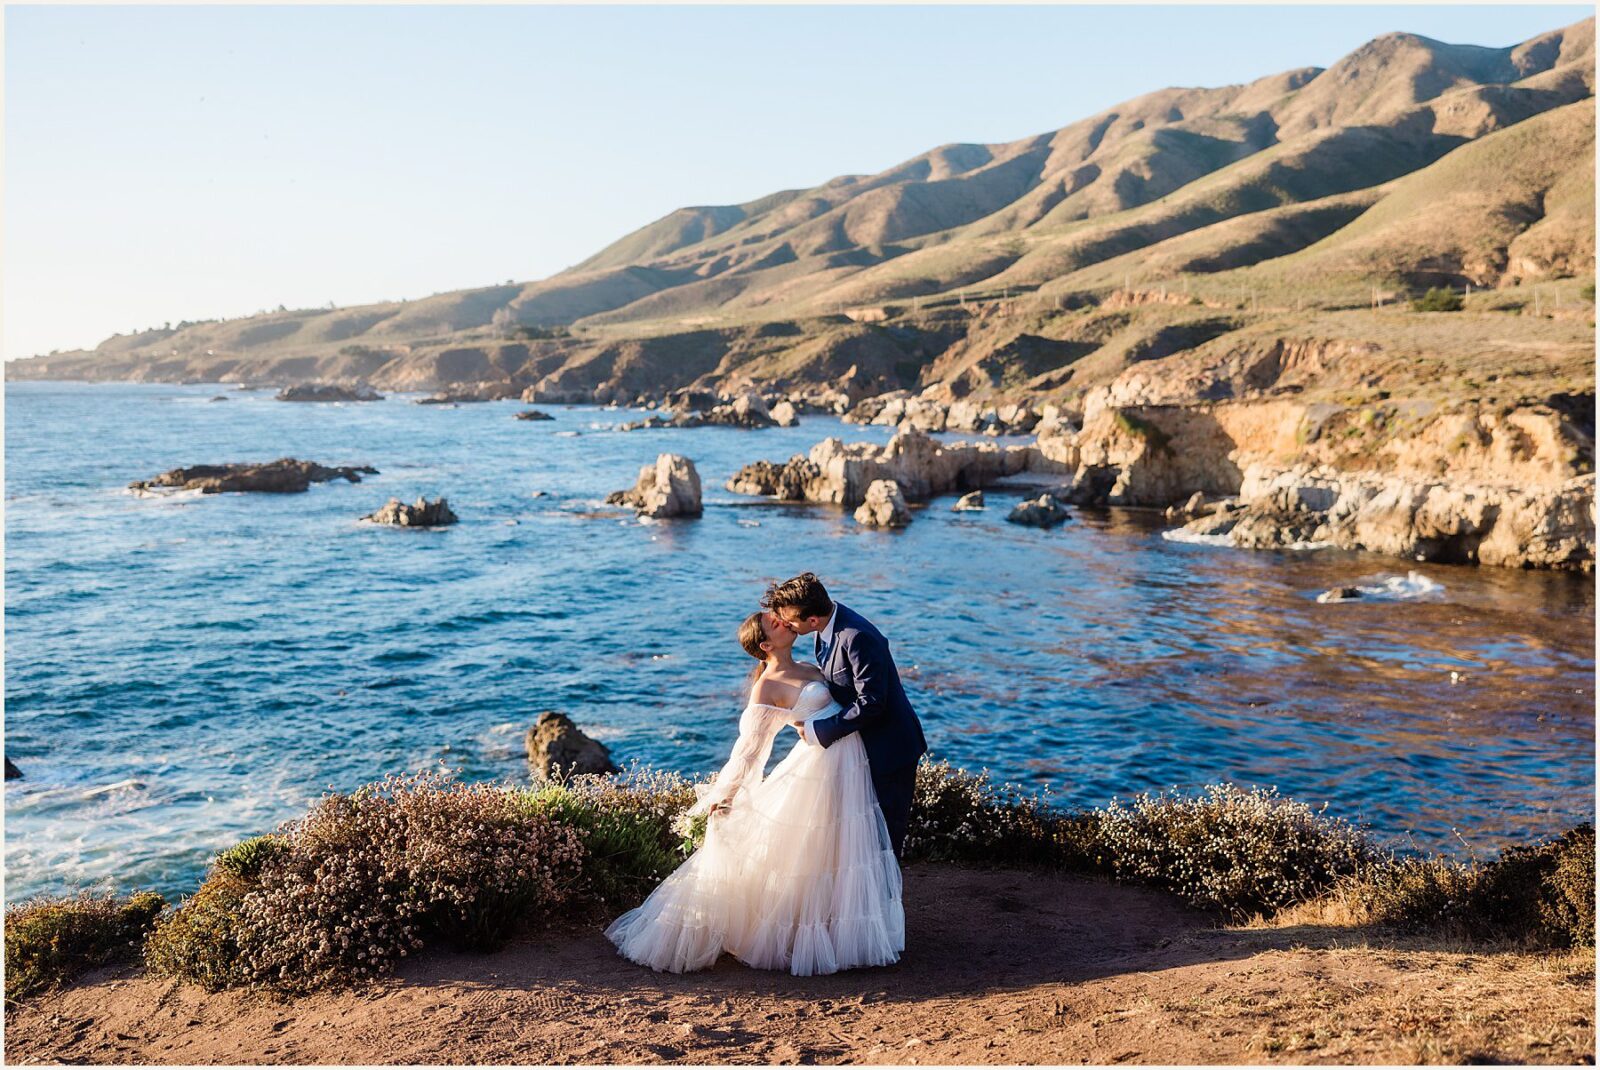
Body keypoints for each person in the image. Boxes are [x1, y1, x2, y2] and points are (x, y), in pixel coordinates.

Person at [604, 610, 903, 976]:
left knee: (842, 852)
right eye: (774, 624)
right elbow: (750, 750)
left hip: (848, 767)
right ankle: (804, 938)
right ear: (765, 645)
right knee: (813, 853)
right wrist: (724, 793)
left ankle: (836, 932)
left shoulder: (811, 664)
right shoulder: (768, 686)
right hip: (818, 771)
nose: (782, 622)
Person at [762, 572, 927, 858]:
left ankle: (886, 901)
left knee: (884, 839)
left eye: (790, 621)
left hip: (889, 749)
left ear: (812, 620)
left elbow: (873, 702)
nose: (786, 625)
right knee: (858, 839)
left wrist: (819, 730)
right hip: (861, 748)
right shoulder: (825, 630)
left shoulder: (856, 637)